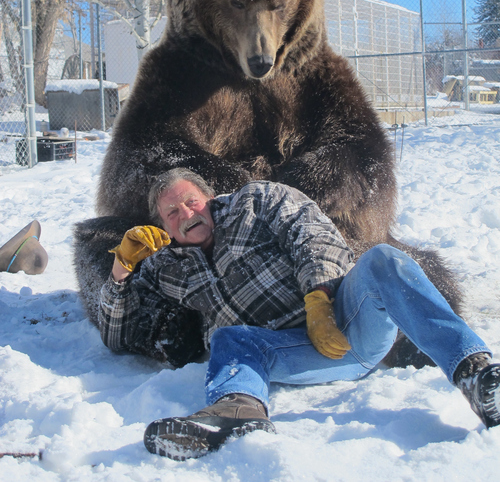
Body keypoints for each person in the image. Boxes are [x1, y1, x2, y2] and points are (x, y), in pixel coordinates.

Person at [98, 168, 500, 461]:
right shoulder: (164, 265)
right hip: (288, 354)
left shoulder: (256, 200)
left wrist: (319, 300)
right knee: (229, 337)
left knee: (383, 260)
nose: (186, 215)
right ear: (160, 223)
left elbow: (316, 235)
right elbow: (116, 335)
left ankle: (476, 374)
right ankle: (238, 412)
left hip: (347, 324)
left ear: (209, 197)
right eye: (172, 212)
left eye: (191, 202)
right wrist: (121, 270)